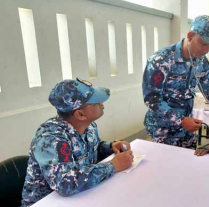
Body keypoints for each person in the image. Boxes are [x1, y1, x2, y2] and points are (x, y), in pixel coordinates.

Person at [21, 78, 134, 206]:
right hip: (48, 202)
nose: (102, 103)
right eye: (96, 102)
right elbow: (65, 183)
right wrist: (114, 165)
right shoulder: (51, 138)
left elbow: (92, 150)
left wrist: (110, 146)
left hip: (81, 196)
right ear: (80, 114)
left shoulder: (89, 127)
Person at [142, 15, 209, 149]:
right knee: (164, 166)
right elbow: (152, 99)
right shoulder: (161, 60)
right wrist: (181, 120)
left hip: (188, 128)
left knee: (188, 165)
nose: (206, 50)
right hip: (163, 128)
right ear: (190, 36)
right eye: (203, 43)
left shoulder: (200, 61)